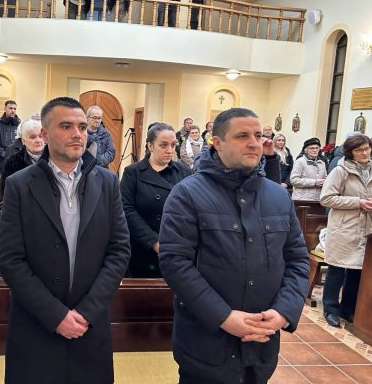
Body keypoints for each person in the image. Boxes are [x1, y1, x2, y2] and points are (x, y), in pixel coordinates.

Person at [159, 107, 309, 384]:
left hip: (261, 345)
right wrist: (224, 317)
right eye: (242, 136)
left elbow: (297, 259)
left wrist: (283, 312)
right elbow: (175, 264)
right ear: (217, 142)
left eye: (257, 135)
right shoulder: (188, 193)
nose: (254, 143)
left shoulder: (277, 196)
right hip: (206, 343)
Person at [0, 97, 130, 384]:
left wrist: (87, 312)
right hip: (36, 321)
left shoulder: (107, 183)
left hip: (89, 321)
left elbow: (119, 251)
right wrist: (55, 315)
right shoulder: (19, 184)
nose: (77, 134)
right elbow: (9, 258)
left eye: (82, 127)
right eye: (66, 126)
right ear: (45, 135)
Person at [120, 122, 192, 277]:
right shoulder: (133, 172)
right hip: (142, 248)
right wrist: (153, 241)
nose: (170, 150)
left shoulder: (185, 172)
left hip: (176, 248)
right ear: (150, 146)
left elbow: (191, 209)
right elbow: (126, 209)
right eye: (163, 145)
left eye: (173, 145)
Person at [319, 134, 372, 327]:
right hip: (344, 227)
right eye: (359, 150)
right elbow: (326, 198)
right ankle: (330, 308)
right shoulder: (340, 171)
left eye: (367, 148)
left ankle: (347, 308)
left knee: (357, 271)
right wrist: (358, 202)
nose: (365, 153)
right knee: (337, 269)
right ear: (350, 153)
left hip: (365, 228)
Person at [0, 119, 44, 195]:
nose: (38, 140)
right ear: (23, 141)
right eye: (33, 137)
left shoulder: (54, 159)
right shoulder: (13, 162)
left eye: (40, 136)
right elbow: (6, 192)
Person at [0, 100, 21, 168]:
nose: (13, 110)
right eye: (10, 108)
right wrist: (3, 153)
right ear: (5, 109)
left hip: (17, 159)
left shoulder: (20, 125)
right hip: (2, 160)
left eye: (15, 109)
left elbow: (22, 141)